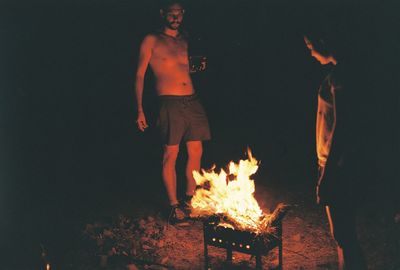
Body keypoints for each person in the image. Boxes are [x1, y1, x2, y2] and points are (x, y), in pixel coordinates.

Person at [134, 1, 211, 224]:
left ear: (183, 14)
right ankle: (173, 207)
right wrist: (140, 109)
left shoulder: (187, 39)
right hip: (169, 102)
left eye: (179, 13)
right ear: (162, 14)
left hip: (193, 100)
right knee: (171, 154)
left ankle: (189, 201)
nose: (175, 17)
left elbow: (191, 68)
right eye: (171, 14)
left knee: (196, 151)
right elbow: (139, 75)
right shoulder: (152, 40)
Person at [304, 35, 367, 270]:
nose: (310, 53)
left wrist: (328, 171)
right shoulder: (340, 72)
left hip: (339, 164)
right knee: (341, 233)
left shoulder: (341, 75)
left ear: (323, 42)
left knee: (343, 233)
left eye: (311, 47)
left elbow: (343, 125)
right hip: (334, 161)